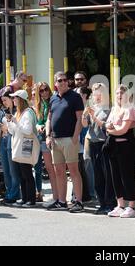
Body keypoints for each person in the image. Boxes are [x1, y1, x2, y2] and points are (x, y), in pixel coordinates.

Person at [45, 71, 84, 213]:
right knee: (59, 171)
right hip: (55, 139)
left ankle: (79, 202)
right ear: (55, 83)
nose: (62, 82)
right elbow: (49, 119)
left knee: (73, 170)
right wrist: (48, 136)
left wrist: (75, 136)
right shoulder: (53, 98)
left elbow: (79, 118)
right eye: (59, 80)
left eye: (64, 80)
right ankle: (61, 201)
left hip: (69, 139)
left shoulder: (75, 97)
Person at [105, 84, 135, 218]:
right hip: (114, 147)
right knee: (116, 176)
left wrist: (110, 130)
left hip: (126, 147)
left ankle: (131, 206)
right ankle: (120, 205)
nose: (119, 95)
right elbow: (107, 124)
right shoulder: (114, 109)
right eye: (118, 93)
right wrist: (110, 127)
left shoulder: (129, 109)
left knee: (128, 176)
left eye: (122, 93)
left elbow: (123, 130)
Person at [82, 83, 115, 214]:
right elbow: (85, 125)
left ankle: (110, 203)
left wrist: (94, 115)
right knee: (97, 175)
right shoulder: (92, 107)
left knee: (106, 174)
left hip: (103, 143)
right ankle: (102, 203)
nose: (96, 96)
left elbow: (105, 127)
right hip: (93, 142)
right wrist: (85, 115)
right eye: (95, 94)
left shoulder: (108, 109)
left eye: (99, 93)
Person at [6, 90, 38, 208]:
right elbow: (12, 131)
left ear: (20, 99)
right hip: (19, 145)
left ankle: (31, 199)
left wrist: (16, 122)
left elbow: (28, 131)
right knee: (21, 173)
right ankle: (25, 198)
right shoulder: (18, 113)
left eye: (15, 98)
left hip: (26, 144)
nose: (13, 100)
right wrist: (10, 122)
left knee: (27, 173)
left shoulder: (28, 113)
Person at [33, 82, 57, 205]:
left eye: (46, 89)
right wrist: (38, 125)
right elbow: (38, 121)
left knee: (56, 168)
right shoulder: (39, 104)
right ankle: (54, 196)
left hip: (53, 137)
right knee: (49, 168)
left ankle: (58, 196)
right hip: (42, 138)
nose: (44, 92)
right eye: (41, 91)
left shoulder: (54, 100)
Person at [0, 89, 21, 205]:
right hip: (4, 140)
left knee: (13, 170)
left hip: (14, 140)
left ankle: (14, 194)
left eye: (6, 100)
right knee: (6, 170)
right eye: (2, 101)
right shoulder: (2, 110)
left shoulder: (18, 111)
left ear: (12, 99)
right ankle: (9, 192)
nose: (4, 103)